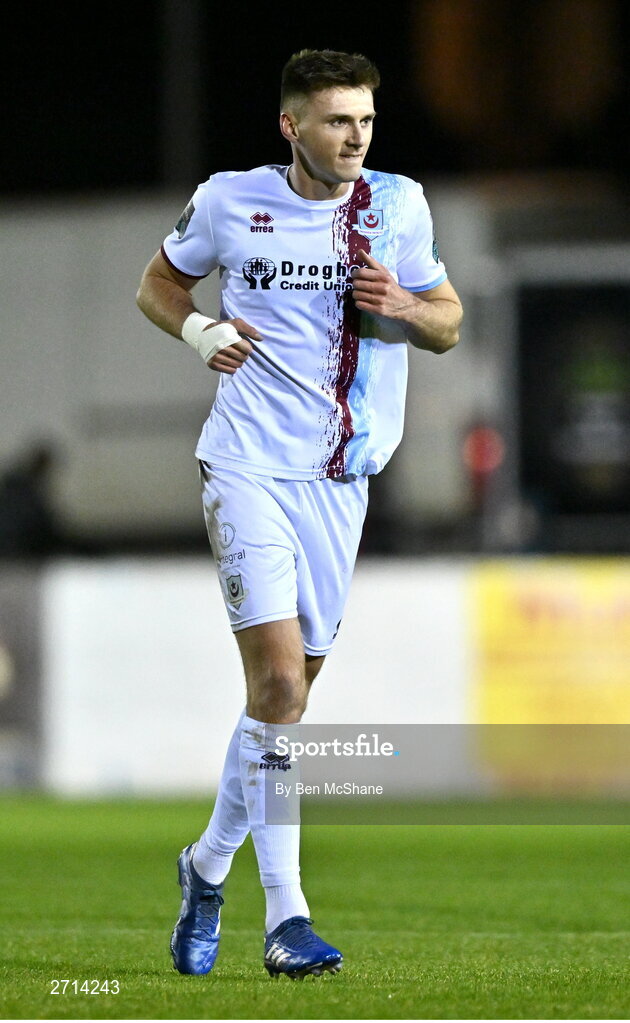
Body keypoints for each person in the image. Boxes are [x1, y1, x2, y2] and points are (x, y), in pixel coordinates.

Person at [136, 48, 462, 980]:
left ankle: (205, 865)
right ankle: (288, 917)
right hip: (245, 464)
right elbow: (157, 283)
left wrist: (403, 301)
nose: (355, 136)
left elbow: (448, 322)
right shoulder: (230, 201)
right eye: (335, 120)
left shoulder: (398, 206)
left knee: (284, 699)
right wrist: (199, 329)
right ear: (291, 126)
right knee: (280, 687)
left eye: (364, 119)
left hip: (344, 478)